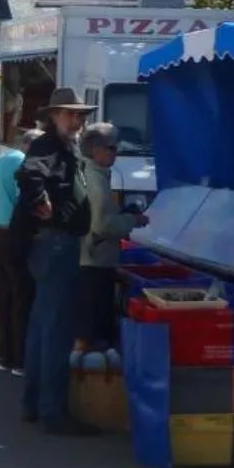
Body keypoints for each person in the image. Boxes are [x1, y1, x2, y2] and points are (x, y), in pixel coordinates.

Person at [14, 90, 98, 434]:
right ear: (54, 116)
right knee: (56, 330)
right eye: (70, 115)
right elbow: (28, 174)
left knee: (43, 327)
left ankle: (35, 404)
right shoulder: (48, 144)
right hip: (56, 244)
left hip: (56, 243)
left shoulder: (63, 146)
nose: (77, 121)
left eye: (81, 116)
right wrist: (41, 202)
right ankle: (52, 411)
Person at [77, 122, 147, 351]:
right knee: (94, 324)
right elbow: (102, 224)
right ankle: (93, 364)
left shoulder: (92, 173)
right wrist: (132, 221)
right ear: (96, 150)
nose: (116, 152)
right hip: (95, 259)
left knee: (90, 321)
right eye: (112, 148)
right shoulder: (95, 180)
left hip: (92, 256)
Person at [0, 133, 32, 372]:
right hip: (15, 233)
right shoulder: (24, 164)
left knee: (4, 296)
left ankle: (5, 355)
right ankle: (20, 359)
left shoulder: (1, 160)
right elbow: (27, 204)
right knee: (22, 298)